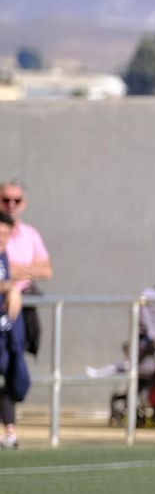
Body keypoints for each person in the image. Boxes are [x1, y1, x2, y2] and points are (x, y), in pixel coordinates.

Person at [0, 179, 51, 357]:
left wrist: (12, 270)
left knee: (16, 356)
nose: (11, 205)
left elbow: (46, 270)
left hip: (22, 305)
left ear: (24, 203)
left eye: (17, 200)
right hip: (2, 300)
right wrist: (27, 270)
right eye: (6, 200)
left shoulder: (30, 234)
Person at [0, 213, 30, 449]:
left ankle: (10, 431)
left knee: (12, 377)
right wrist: (11, 287)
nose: (2, 239)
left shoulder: (4, 255)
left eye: (5, 235)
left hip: (5, 329)